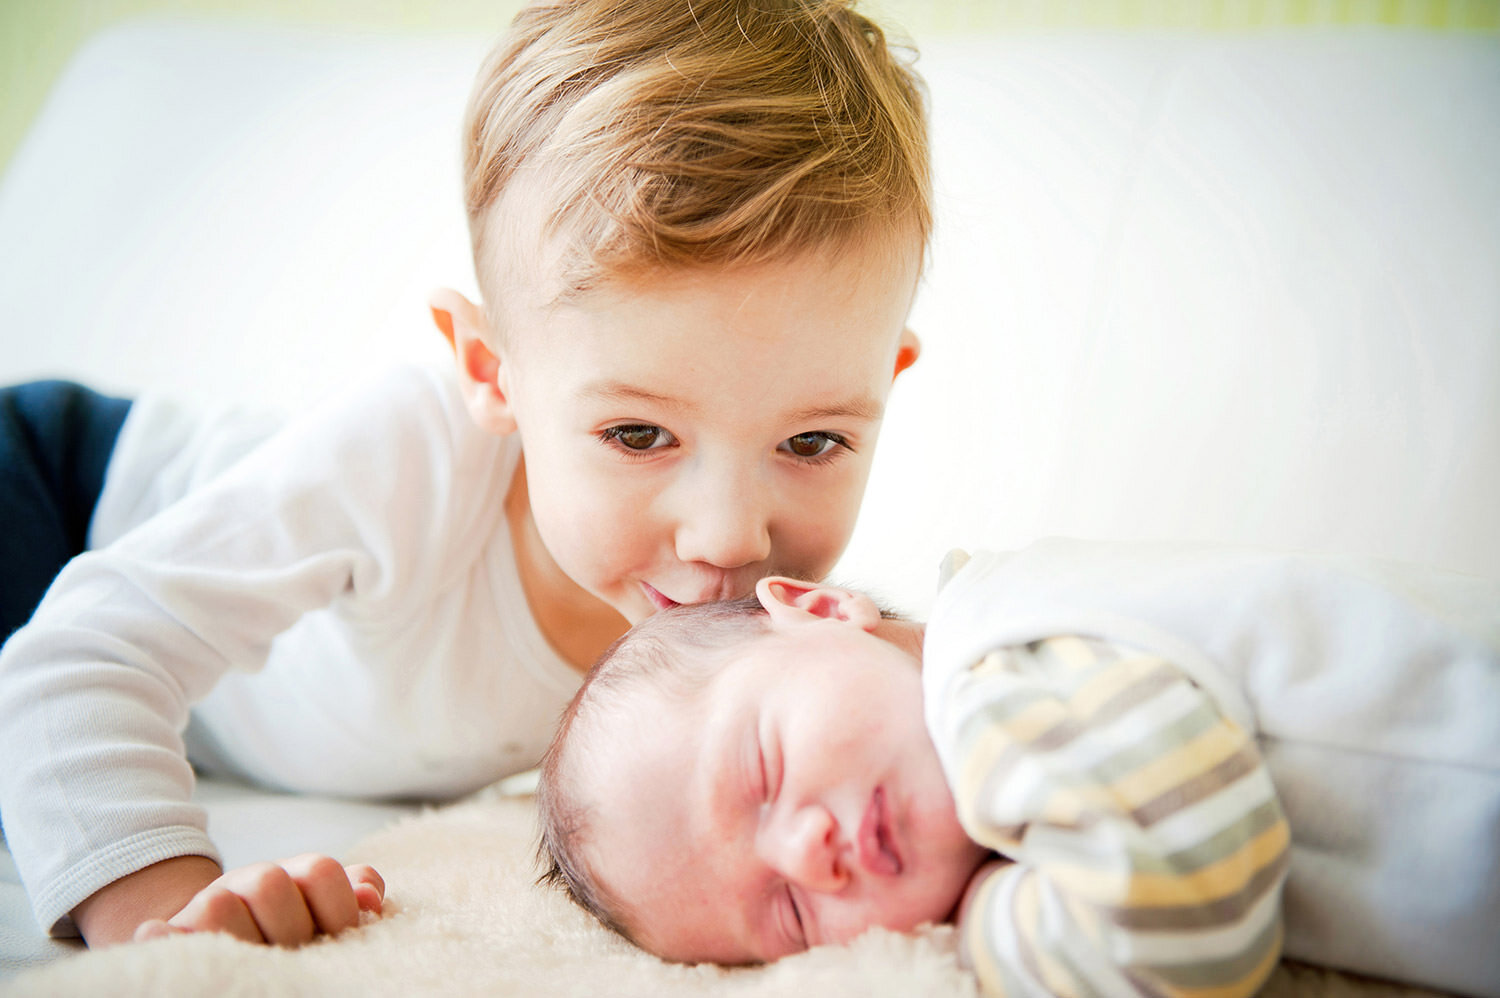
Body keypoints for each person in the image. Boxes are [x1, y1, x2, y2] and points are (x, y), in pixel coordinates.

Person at [0, 0, 928, 951]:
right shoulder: (410, 466)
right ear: (492, 371)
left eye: (813, 443)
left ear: (883, 387)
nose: (730, 536)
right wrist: (163, 916)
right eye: (639, 434)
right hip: (54, 500)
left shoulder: (797, 666)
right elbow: (78, 656)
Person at [535, 538, 1500, 998]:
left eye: (765, 767)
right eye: (788, 915)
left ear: (823, 611)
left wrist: (980, 924)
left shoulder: (993, 676)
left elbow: (1176, 925)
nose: (810, 851)